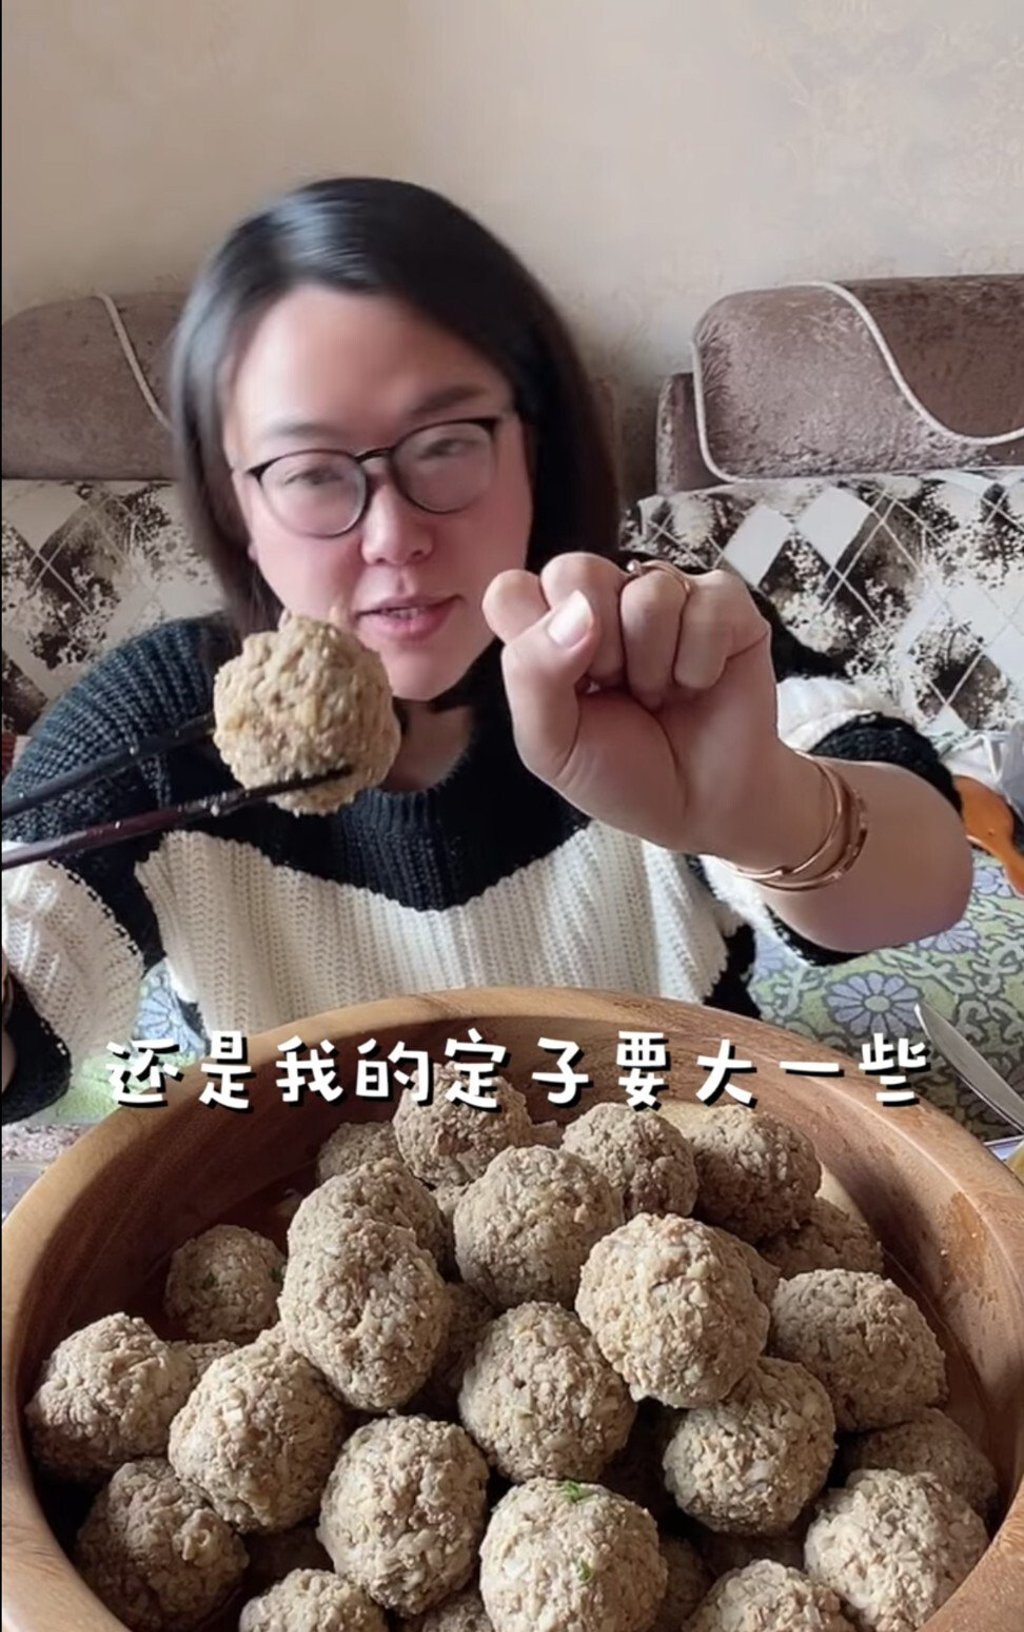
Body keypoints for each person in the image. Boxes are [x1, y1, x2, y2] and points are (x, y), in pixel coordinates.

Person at [1, 178, 971, 1124]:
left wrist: (757, 808)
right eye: (309, 472)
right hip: (307, 1226)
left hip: (687, 1164)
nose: (390, 535)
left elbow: (927, 881)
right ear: (236, 506)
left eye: (445, 444)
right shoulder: (158, 727)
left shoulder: (651, 642)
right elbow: (30, 986)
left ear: (530, 451)